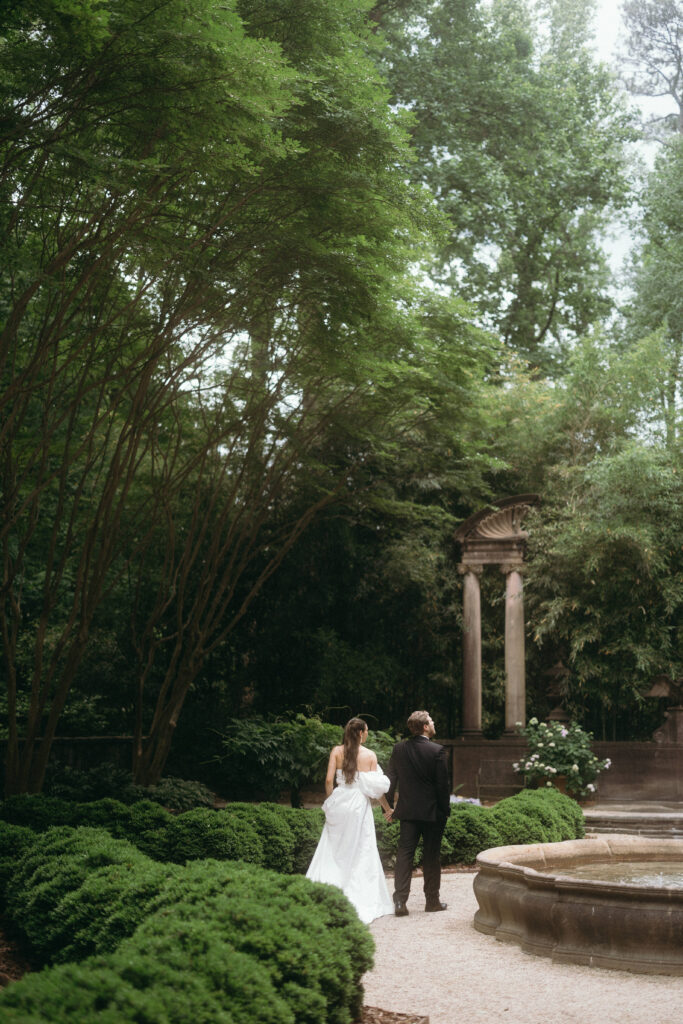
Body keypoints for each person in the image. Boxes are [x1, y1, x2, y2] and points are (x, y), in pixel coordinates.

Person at [306, 717, 395, 924]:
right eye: (367, 732)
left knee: (333, 849)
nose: (367, 735)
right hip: (358, 806)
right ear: (361, 733)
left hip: (340, 801)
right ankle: (358, 894)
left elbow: (329, 780)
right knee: (361, 849)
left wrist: (330, 803)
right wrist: (387, 809)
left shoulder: (336, 751)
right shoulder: (370, 756)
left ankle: (329, 889)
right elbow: (375, 790)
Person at [385, 710, 450, 916]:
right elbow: (442, 787)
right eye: (431, 721)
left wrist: (388, 808)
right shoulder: (437, 751)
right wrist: (444, 811)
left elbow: (390, 780)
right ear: (424, 727)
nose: (433, 723)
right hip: (432, 814)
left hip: (408, 812)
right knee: (431, 857)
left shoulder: (399, 749)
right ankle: (432, 902)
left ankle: (400, 903)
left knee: (405, 855)